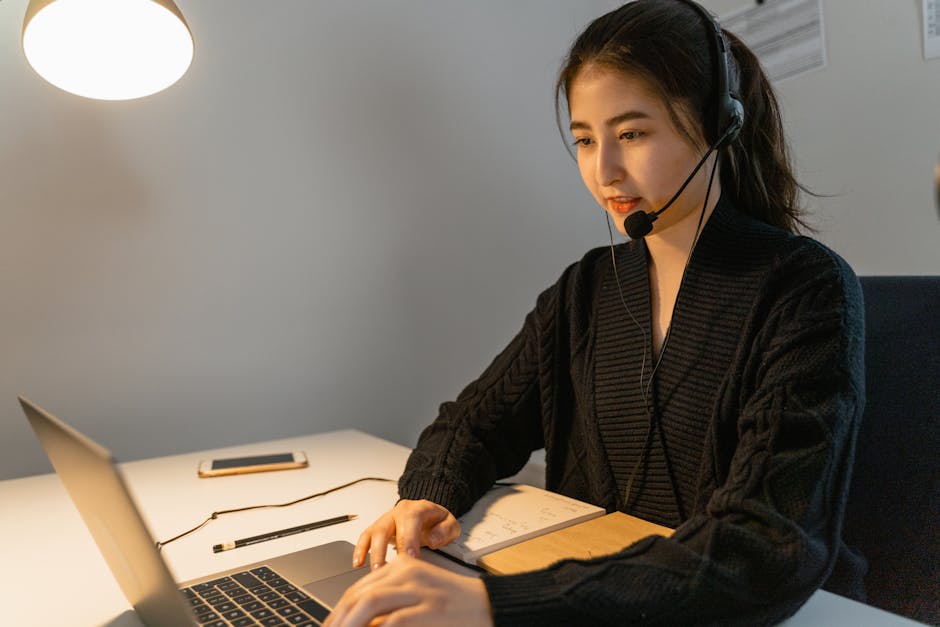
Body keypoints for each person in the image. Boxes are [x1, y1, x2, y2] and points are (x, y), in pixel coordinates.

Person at [323, 1, 866, 625]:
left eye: (632, 134)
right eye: (585, 139)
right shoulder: (586, 288)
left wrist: (496, 605)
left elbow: (761, 548)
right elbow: (470, 426)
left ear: (719, 125)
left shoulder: (804, 289)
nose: (603, 171)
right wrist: (425, 497)